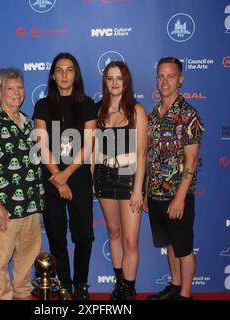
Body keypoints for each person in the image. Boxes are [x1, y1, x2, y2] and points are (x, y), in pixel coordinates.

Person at [0, 68, 44, 300]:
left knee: (26, 259)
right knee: (0, 262)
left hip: (30, 205)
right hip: (4, 208)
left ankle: (23, 296)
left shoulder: (27, 122)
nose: (16, 93)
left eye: (20, 88)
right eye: (10, 89)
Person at [33, 52, 97, 300]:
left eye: (69, 70)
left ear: (76, 74)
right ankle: (64, 287)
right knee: (56, 234)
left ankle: (81, 285)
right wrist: (58, 176)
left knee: (83, 235)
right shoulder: (42, 105)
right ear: (52, 76)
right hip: (50, 178)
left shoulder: (88, 104)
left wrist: (66, 175)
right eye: (59, 70)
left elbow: (89, 144)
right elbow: (41, 144)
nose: (64, 75)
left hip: (78, 176)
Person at [145, 57, 204, 300]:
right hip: (156, 194)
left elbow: (190, 162)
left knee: (184, 247)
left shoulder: (189, 115)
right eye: (161, 76)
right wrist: (146, 192)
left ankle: (186, 295)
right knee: (170, 244)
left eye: (170, 76)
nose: (164, 81)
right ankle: (175, 286)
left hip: (179, 195)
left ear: (180, 80)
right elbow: (148, 156)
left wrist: (180, 198)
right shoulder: (153, 115)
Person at [92, 61, 148, 300]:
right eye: (110, 78)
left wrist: (138, 190)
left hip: (129, 178)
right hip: (104, 178)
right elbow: (93, 149)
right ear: (105, 82)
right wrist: (92, 177)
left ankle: (129, 289)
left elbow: (142, 153)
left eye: (119, 78)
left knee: (130, 239)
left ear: (126, 82)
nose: (114, 83)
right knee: (114, 232)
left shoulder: (137, 110)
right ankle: (120, 286)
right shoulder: (98, 110)